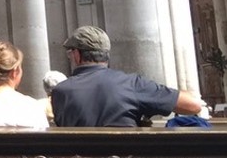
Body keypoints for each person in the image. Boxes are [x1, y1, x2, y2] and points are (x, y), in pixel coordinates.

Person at [50, 25, 205, 127]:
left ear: (77, 55)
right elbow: (193, 105)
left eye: (70, 52)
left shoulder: (60, 91)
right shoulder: (132, 84)